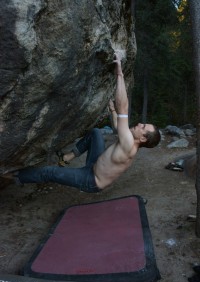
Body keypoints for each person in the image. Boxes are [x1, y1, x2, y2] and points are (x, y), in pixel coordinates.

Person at [4, 53, 161, 193]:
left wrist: (119, 74)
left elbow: (123, 107)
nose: (140, 124)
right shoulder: (128, 141)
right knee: (96, 133)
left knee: (49, 173)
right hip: (94, 165)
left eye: (143, 127)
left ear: (143, 139)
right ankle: (67, 158)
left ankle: (11, 177)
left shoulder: (128, 146)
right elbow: (117, 129)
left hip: (91, 180)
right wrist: (113, 112)